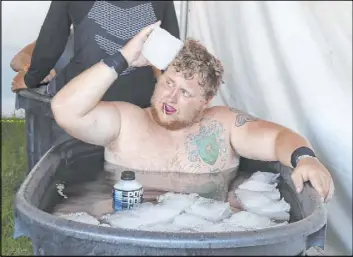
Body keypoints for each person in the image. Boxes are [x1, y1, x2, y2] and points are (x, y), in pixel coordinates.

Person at [51, 22, 335, 207]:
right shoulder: (126, 121)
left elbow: (278, 139)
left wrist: (305, 158)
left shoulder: (223, 124)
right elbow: (65, 111)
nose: (171, 98)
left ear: (205, 100)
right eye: (169, 83)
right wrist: (122, 58)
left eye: (186, 93)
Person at [11, 1, 179, 107]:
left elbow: (50, 43)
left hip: (82, 97)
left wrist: (30, 79)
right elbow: (172, 52)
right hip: (140, 99)